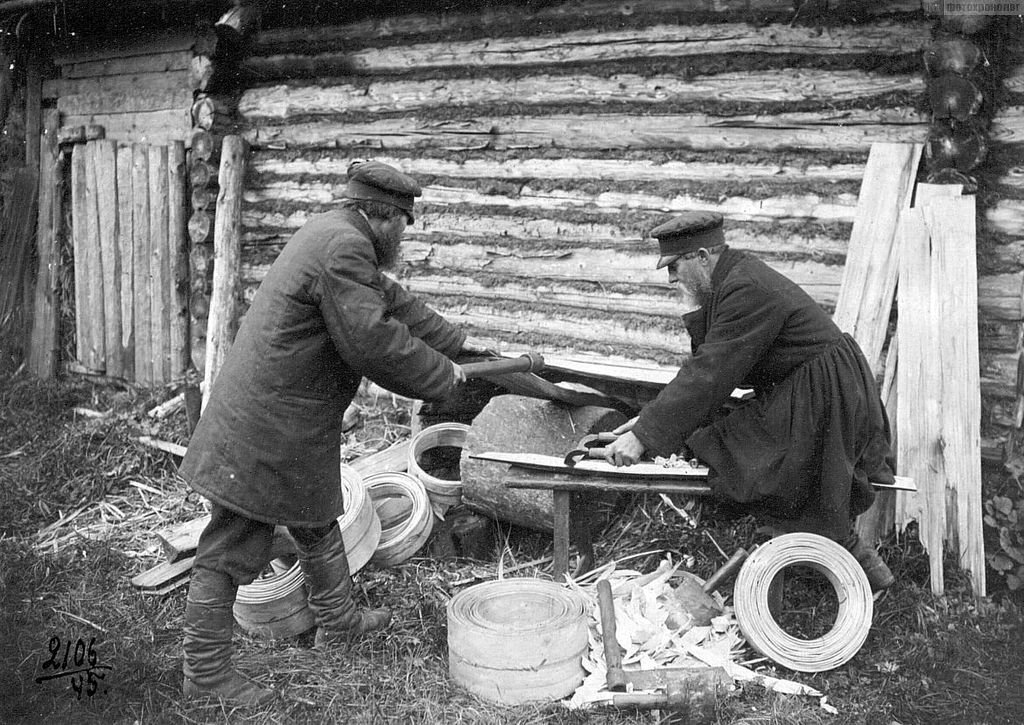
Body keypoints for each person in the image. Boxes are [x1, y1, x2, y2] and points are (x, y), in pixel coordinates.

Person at [178, 160, 483, 705]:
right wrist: (443, 376)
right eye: (404, 224)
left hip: (290, 417)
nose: (403, 237)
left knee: (317, 519)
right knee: (230, 546)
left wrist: (462, 346)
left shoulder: (333, 236)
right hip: (265, 424)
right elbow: (371, 339)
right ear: (382, 215)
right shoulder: (344, 247)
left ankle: (339, 623)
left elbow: (394, 305)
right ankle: (204, 676)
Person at [602, 211, 896, 591]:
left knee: (750, 455)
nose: (672, 279)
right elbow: (708, 366)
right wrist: (646, 423)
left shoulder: (746, 288)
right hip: (806, 387)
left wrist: (644, 436)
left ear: (703, 256)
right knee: (736, 443)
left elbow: (711, 374)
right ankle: (812, 545)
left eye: (674, 267)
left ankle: (831, 551)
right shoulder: (732, 280)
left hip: (823, 394)